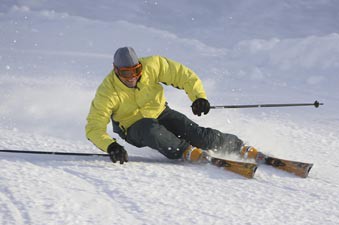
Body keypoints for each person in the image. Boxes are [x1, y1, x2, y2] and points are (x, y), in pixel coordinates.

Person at [85, 47, 259, 164]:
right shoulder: (107, 92)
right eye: (125, 73)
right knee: (150, 129)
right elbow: (94, 127)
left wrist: (198, 97)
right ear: (116, 71)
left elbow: (183, 76)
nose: (132, 77)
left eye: (136, 70)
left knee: (198, 135)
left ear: (140, 66)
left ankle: (238, 146)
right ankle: (185, 151)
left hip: (160, 112)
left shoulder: (153, 65)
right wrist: (111, 146)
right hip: (132, 127)